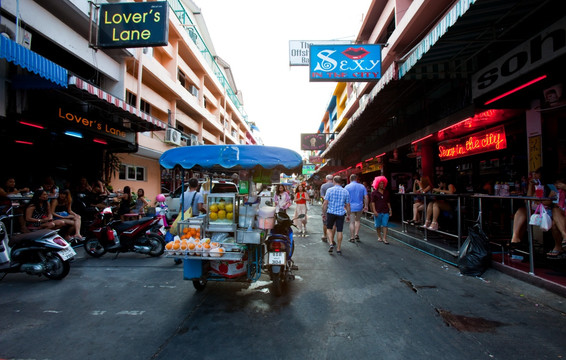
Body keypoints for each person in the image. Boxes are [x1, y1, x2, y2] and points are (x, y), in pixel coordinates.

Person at [322, 176, 351, 255]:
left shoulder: (330, 190)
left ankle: (331, 243)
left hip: (331, 212)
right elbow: (348, 205)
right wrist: (348, 215)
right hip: (341, 213)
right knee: (340, 230)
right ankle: (338, 248)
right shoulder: (345, 191)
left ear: (334, 182)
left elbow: (325, 203)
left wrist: (323, 213)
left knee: (329, 228)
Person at [345, 174, 368, 243]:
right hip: (359, 206)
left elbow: (345, 198)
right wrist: (366, 205)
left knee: (352, 222)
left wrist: (344, 206)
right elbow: (366, 197)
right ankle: (356, 234)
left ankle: (352, 237)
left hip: (350, 207)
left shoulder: (347, 187)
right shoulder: (362, 186)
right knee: (357, 220)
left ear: (350, 179)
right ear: (357, 179)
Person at [370, 175, 392, 244]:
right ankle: (379, 236)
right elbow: (372, 203)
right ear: (377, 184)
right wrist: (374, 211)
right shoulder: (374, 193)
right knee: (378, 225)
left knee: (385, 225)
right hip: (378, 211)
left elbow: (388, 202)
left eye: (383, 183)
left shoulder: (386, 192)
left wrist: (390, 209)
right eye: (380, 183)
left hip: (385, 211)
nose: (382, 184)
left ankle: (385, 238)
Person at [320, 174, 334, 243]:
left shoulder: (323, 186)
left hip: (326, 206)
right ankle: (332, 238)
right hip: (334, 206)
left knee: (325, 222)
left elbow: (322, 196)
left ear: (326, 179)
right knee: (334, 224)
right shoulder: (335, 185)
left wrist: (327, 199)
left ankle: (325, 236)